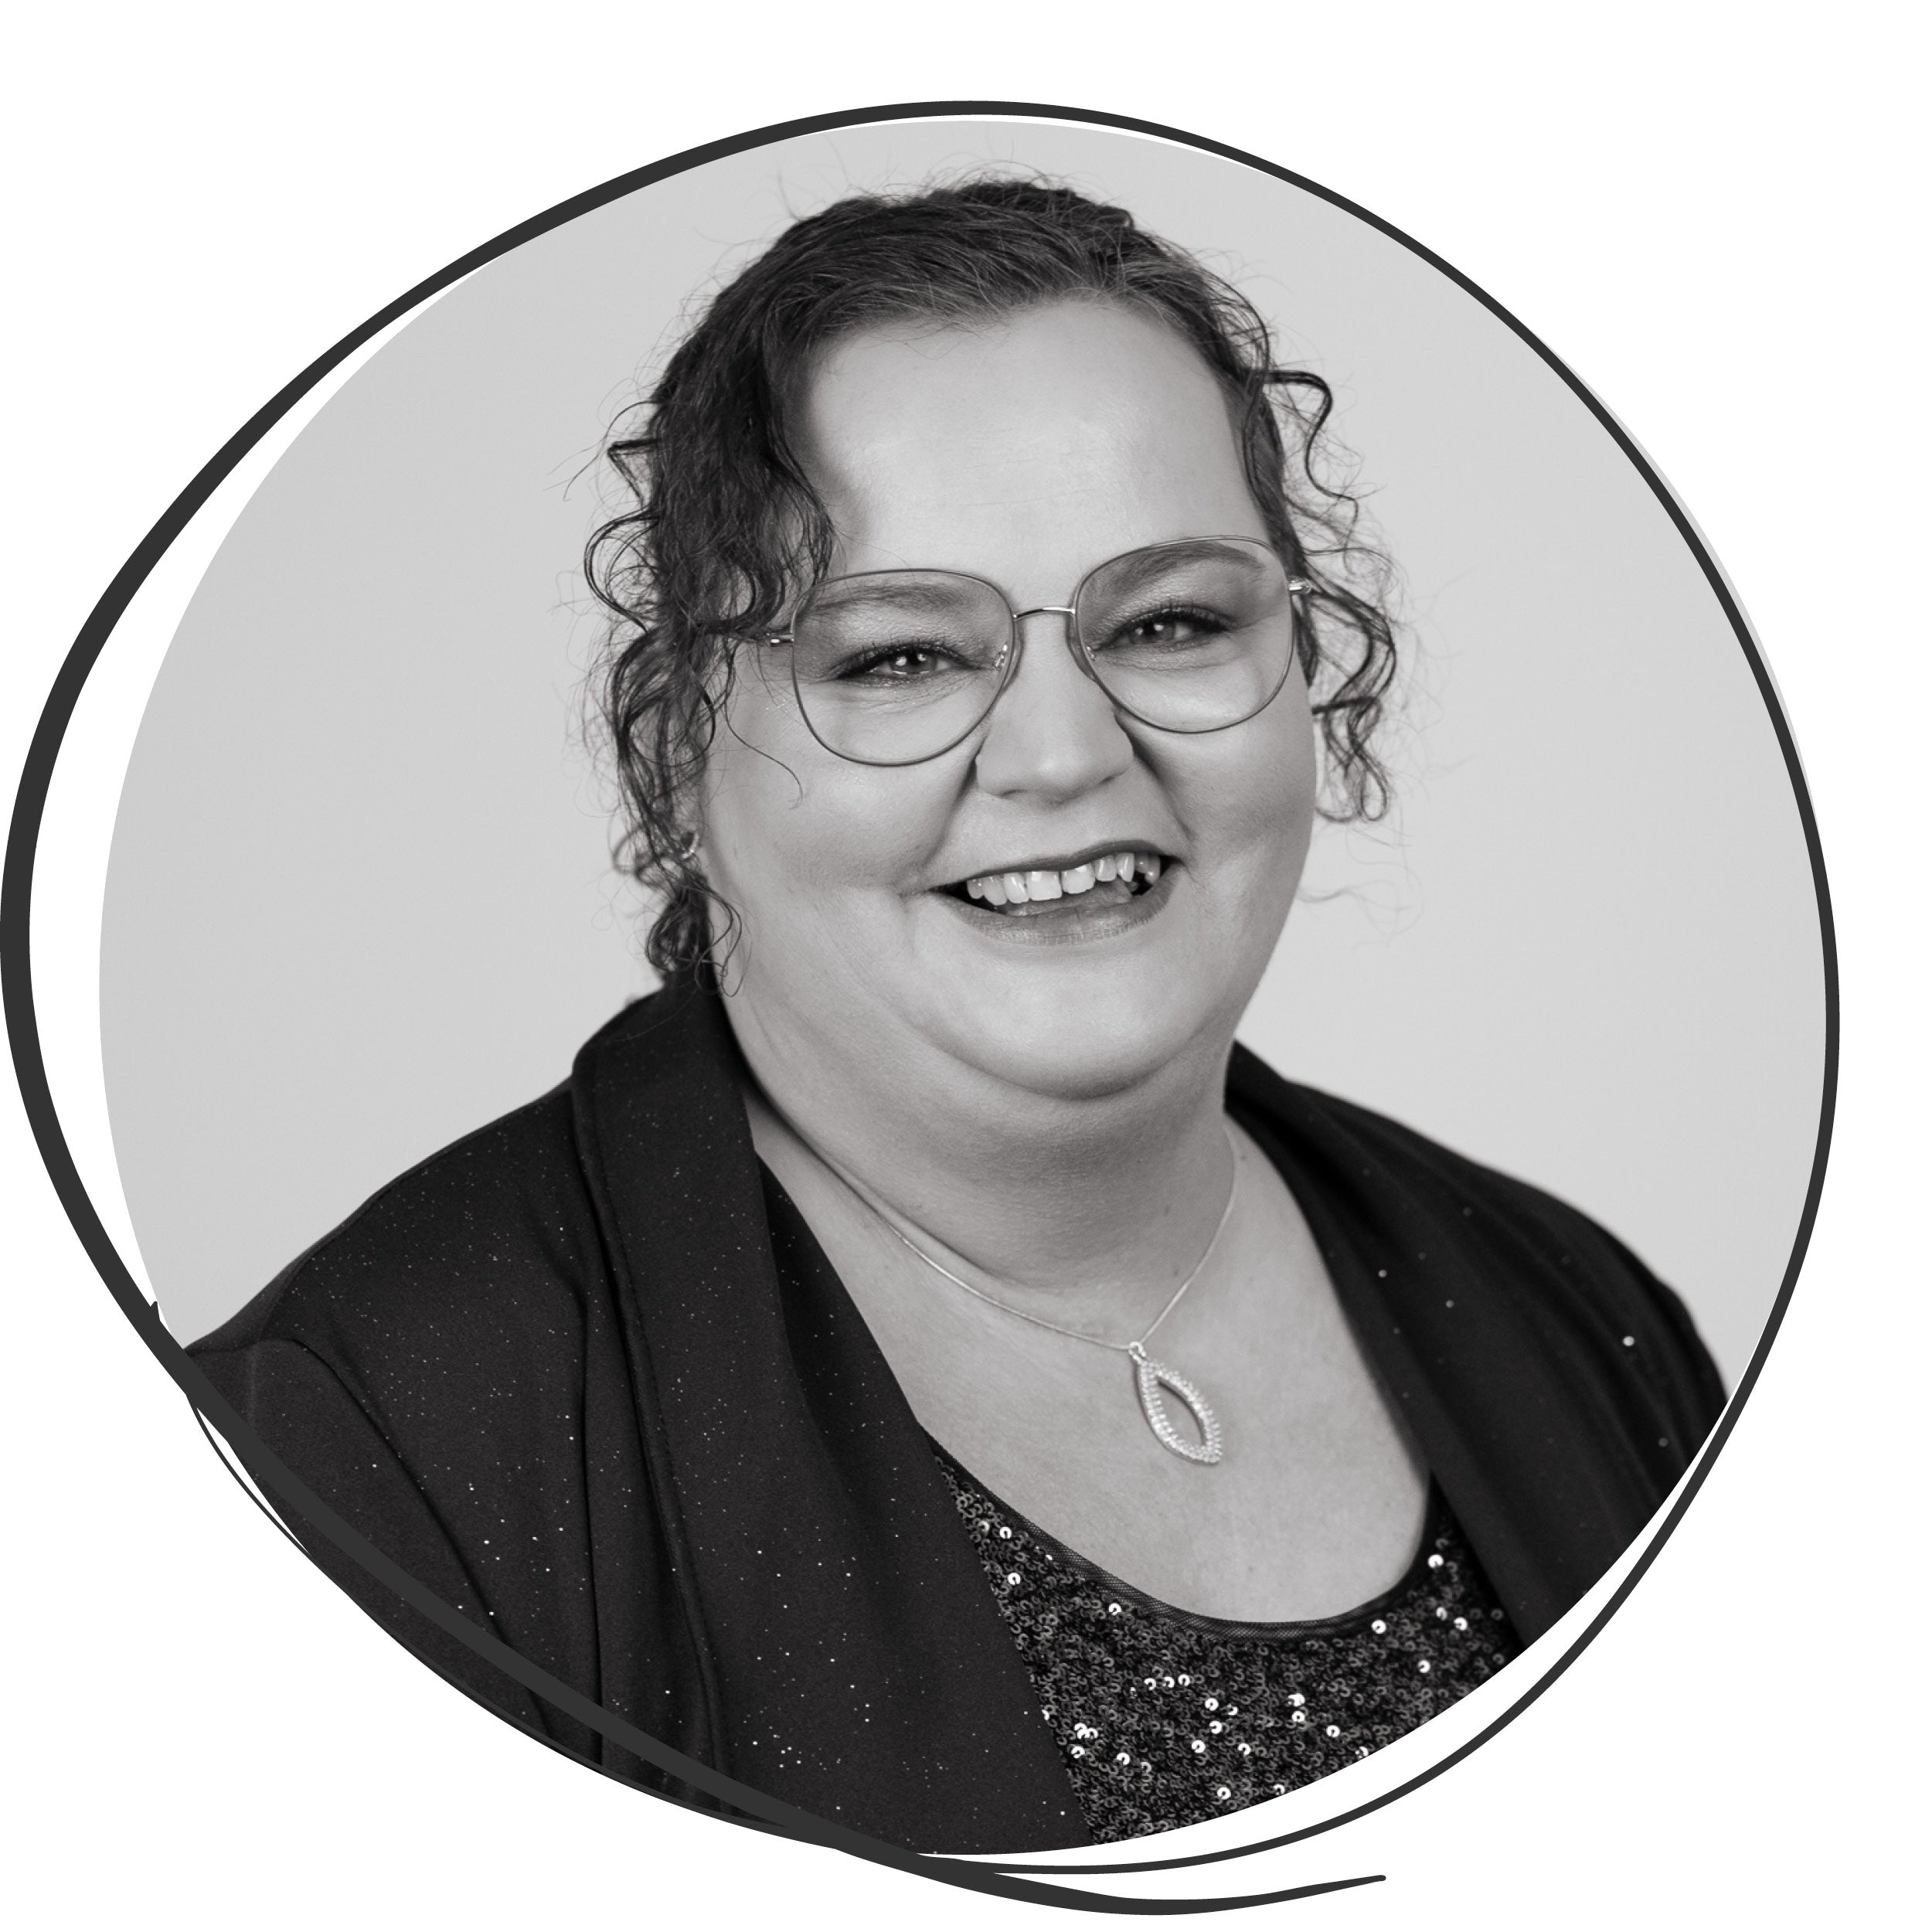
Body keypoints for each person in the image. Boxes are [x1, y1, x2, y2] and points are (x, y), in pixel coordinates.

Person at [190, 178, 1725, 1854]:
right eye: (902, 657)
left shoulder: (1581, 1315)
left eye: (1171, 621)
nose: (1062, 753)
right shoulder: (350, 1452)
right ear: (683, 749)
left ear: (1307, 676)